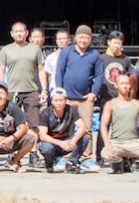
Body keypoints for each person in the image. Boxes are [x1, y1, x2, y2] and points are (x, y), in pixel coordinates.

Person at [53, 24, 102, 170]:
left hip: (85, 99)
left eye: (87, 37)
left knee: (87, 128)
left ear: (90, 39)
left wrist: (93, 93)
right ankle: (66, 157)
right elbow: (59, 73)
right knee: (67, 130)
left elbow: (99, 75)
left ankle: (86, 158)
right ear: (75, 38)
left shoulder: (94, 55)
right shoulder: (66, 52)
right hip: (67, 99)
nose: (83, 40)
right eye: (81, 37)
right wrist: (60, 94)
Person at [99, 72, 139, 173]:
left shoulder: (137, 104)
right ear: (116, 85)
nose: (125, 86)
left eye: (127, 83)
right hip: (117, 143)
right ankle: (119, 162)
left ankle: (135, 161)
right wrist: (107, 143)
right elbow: (103, 125)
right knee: (105, 154)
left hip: (134, 143)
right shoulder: (110, 104)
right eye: (122, 83)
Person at [38, 87, 88, 173]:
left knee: (85, 138)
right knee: (46, 148)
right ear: (52, 101)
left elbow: (83, 127)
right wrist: (60, 143)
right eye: (56, 100)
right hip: (53, 143)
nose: (59, 103)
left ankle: (72, 162)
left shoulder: (72, 110)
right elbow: (42, 136)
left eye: (61, 100)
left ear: (65, 100)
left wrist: (74, 141)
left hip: (67, 142)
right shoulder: (45, 113)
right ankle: (50, 163)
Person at [41, 28, 70, 100]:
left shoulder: (74, 57)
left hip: (70, 89)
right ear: (56, 41)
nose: (62, 41)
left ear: (69, 40)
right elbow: (49, 75)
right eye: (60, 39)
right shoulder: (50, 58)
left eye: (64, 38)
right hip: (54, 89)